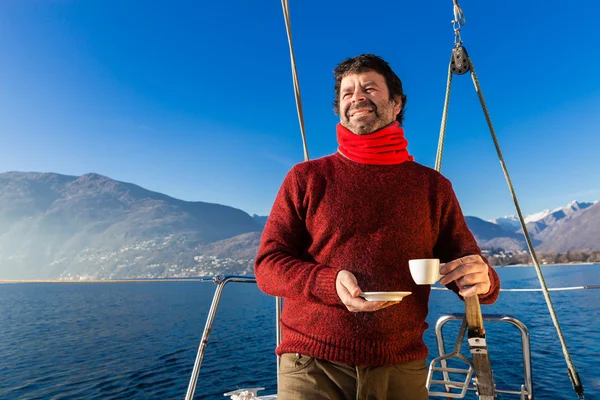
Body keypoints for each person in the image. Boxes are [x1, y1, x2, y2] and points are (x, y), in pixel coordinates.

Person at [254, 54, 500, 400]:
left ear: (397, 104)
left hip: (400, 366)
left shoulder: (432, 187)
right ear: (339, 108)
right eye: (347, 93)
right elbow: (267, 267)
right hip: (312, 366)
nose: (357, 97)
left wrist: (483, 280)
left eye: (369, 88)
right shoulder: (306, 178)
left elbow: (467, 264)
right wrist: (329, 282)